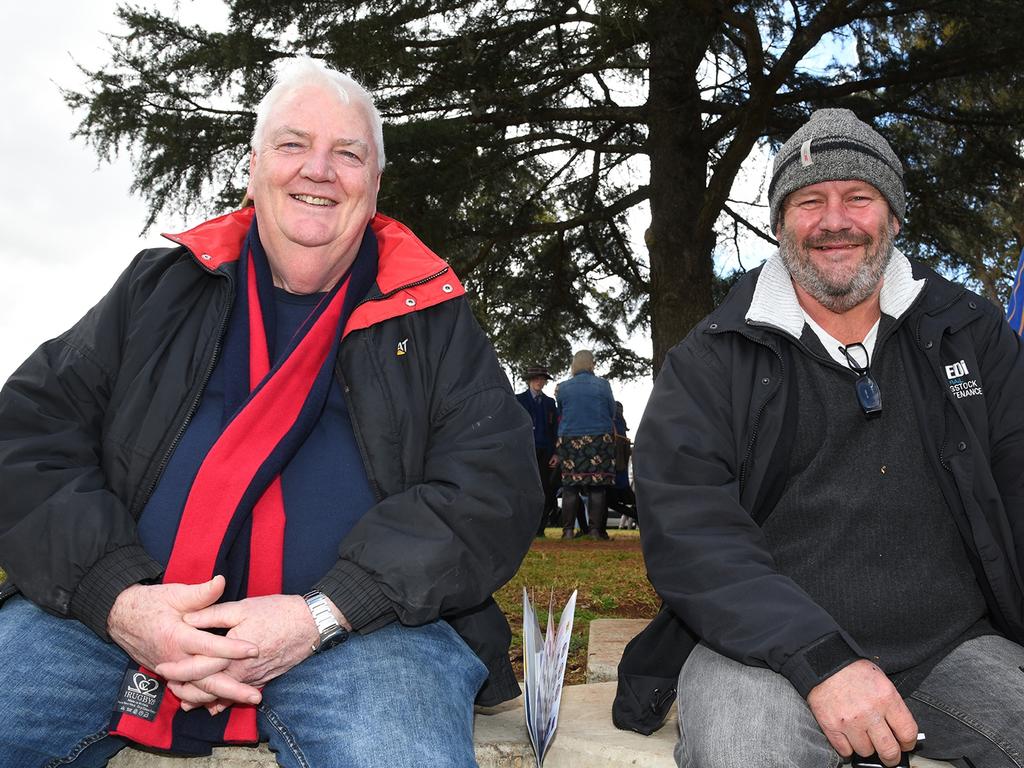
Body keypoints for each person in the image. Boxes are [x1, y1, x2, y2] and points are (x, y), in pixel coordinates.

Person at [0, 57, 540, 767]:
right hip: (112, 622)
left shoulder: (432, 314)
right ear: (253, 166)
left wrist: (323, 612)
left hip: (365, 633)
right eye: (292, 145)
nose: (319, 170)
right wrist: (121, 600)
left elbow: (491, 490)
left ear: (375, 185)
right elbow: (28, 439)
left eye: (347, 154)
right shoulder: (161, 287)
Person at [633, 108, 1024, 768]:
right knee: (740, 750)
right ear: (780, 224)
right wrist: (823, 660)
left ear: (893, 218)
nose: (834, 221)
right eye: (809, 201)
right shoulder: (712, 359)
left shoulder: (971, 334)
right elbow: (689, 533)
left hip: (950, 647)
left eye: (859, 198)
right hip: (760, 654)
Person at [555, 349, 616, 540]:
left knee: (570, 486)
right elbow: (611, 410)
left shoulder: (563, 387)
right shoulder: (603, 385)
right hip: (599, 438)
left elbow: (561, 411)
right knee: (598, 486)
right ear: (592, 363)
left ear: (574, 365)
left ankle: (567, 531)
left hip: (570, 439)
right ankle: (595, 531)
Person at [515, 366, 560, 536]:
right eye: (536, 378)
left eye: (542, 379)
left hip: (545, 452)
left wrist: (556, 452)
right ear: (529, 380)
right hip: (525, 452)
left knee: (544, 490)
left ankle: (539, 528)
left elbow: (555, 429)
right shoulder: (519, 400)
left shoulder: (550, 403)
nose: (539, 382)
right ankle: (522, 526)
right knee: (523, 488)